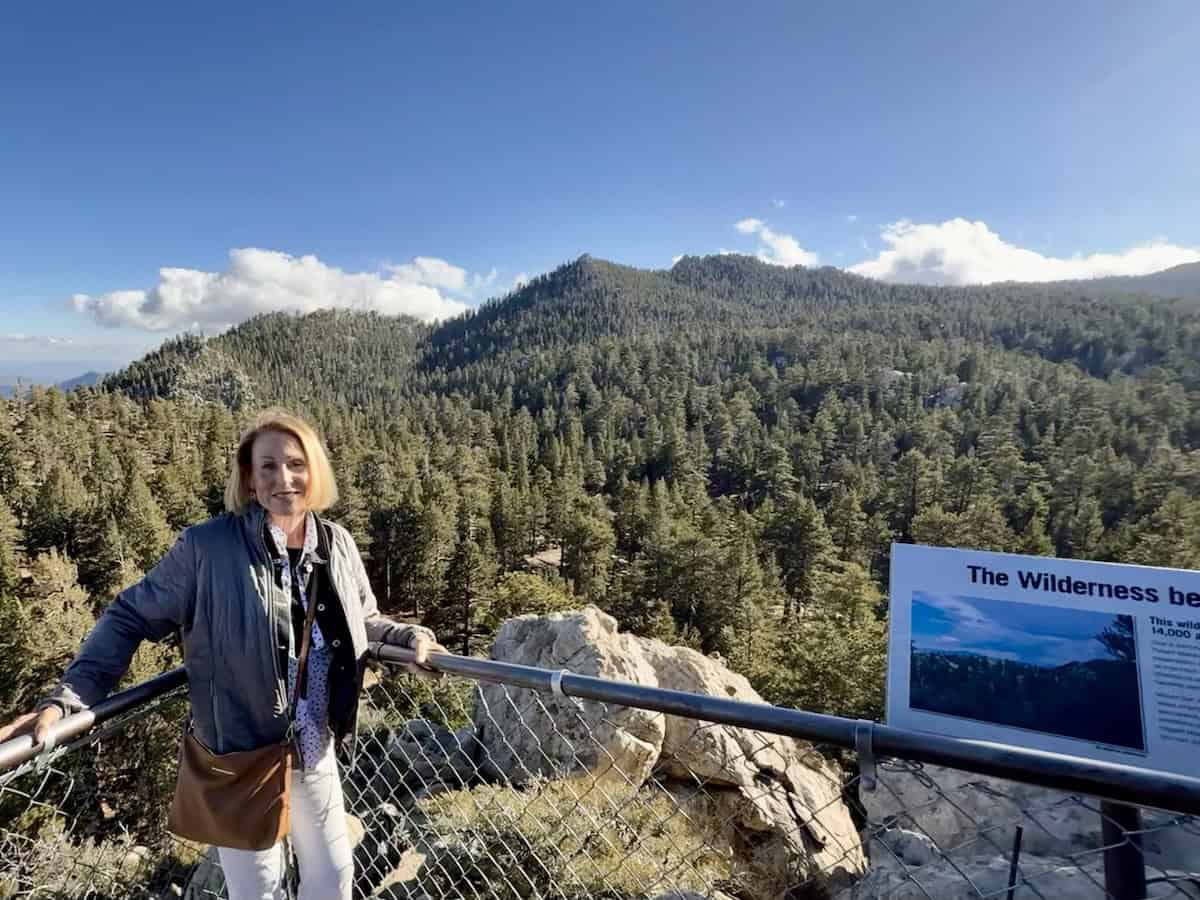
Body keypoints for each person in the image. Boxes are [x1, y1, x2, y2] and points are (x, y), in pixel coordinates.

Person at [0, 410, 445, 900]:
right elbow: (128, 615)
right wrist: (66, 699)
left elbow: (363, 619)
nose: (283, 478)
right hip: (241, 759)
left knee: (334, 879)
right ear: (249, 479)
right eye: (268, 466)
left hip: (316, 749)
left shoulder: (336, 543)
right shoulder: (206, 549)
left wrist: (408, 637)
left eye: (296, 464)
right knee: (258, 892)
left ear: (314, 472)